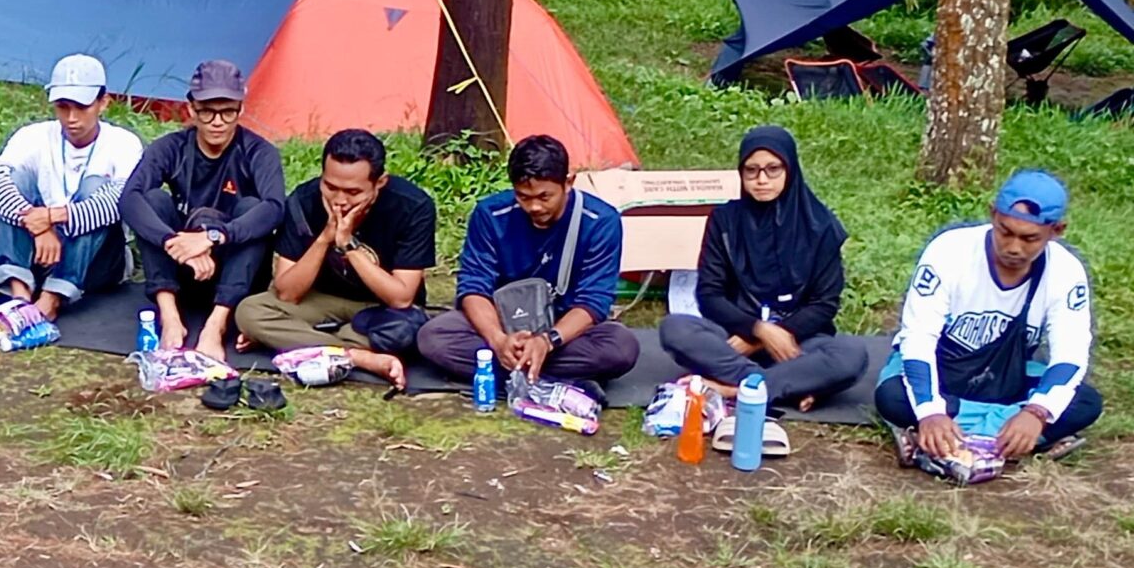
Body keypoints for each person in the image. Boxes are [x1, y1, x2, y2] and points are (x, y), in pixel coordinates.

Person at [877, 169, 1102, 461]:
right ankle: (1004, 441)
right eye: (1005, 231)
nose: (1013, 248)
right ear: (993, 214)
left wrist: (1036, 412)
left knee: (1085, 402)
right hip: (943, 373)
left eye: (1029, 238)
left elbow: (1070, 354)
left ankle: (947, 440)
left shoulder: (1065, 272)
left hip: (1004, 378)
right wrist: (931, 412)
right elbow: (918, 339)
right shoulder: (949, 251)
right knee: (892, 397)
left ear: (1056, 231)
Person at [659, 126, 868, 412]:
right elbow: (709, 294)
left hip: (796, 345)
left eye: (773, 170)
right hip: (733, 339)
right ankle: (787, 387)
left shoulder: (820, 227)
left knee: (850, 355)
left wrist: (771, 337)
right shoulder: (725, 221)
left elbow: (824, 304)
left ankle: (734, 389)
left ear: (790, 170)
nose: (761, 180)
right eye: (751, 170)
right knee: (676, 329)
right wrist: (756, 330)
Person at [418, 134, 638, 387]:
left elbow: (593, 301)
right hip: (503, 321)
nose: (534, 207)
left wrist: (547, 341)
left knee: (621, 347)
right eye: (524, 197)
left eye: (545, 197)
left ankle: (508, 371)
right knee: (433, 337)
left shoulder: (600, 221)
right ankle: (544, 374)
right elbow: (474, 286)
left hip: (562, 326)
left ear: (568, 183)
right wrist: (498, 340)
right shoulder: (490, 214)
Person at [119, 58, 287, 367]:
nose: (217, 121)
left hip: (236, 272)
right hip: (182, 266)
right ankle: (169, 315)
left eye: (227, 112)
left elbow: (275, 207)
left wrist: (214, 237)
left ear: (241, 109)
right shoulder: (171, 147)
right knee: (153, 200)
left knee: (252, 207)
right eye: (208, 111)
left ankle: (216, 324)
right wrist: (174, 241)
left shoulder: (259, 152)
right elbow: (130, 198)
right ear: (192, 109)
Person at [235, 126, 431, 384]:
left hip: (382, 309)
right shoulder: (303, 201)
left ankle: (305, 342)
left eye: (353, 192)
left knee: (407, 332)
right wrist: (325, 238)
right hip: (321, 298)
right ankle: (356, 356)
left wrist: (348, 245)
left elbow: (401, 298)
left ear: (379, 183)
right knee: (250, 312)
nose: (340, 201)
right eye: (330, 187)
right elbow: (287, 292)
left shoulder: (413, 206)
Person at [0, 54, 143, 320]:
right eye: (63, 107)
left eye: (81, 107)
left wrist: (53, 216)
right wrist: (39, 224)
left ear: (103, 103)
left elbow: (118, 202)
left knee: (95, 188)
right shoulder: (33, 135)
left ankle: (51, 298)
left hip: (98, 260)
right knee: (16, 179)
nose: (71, 118)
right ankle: (19, 295)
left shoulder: (124, 143)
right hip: (41, 251)